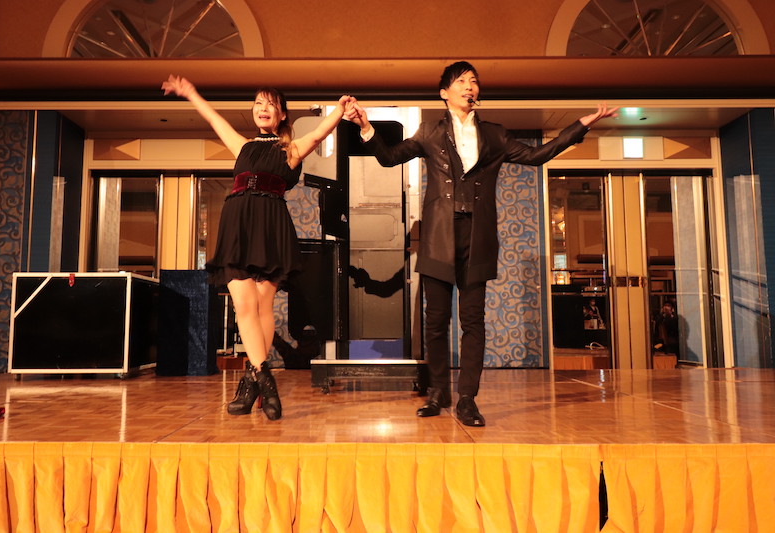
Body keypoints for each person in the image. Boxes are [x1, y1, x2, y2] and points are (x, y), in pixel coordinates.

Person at [347, 61, 617, 426]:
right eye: (461, 81)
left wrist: (580, 126)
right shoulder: (428, 132)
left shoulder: (495, 134)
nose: (470, 86)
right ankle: (438, 392)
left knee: (473, 321)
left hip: (477, 236)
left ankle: (468, 399)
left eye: (474, 81)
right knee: (436, 321)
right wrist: (365, 127)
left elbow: (537, 156)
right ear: (444, 93)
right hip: (438, 237)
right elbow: (389, 157)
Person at [162, 75, 354, 420]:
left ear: (282, 114)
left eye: (270, 104)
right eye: (258, 103)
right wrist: (190, 92)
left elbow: (318, 133)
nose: (263, 108)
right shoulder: (242, 146)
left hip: (270, 227)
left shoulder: (290, 149)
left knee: (262, 308)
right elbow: (214, 119)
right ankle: (265, 381)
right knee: (244, 306)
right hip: (237, 225)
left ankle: (252, 383)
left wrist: (339, 110)